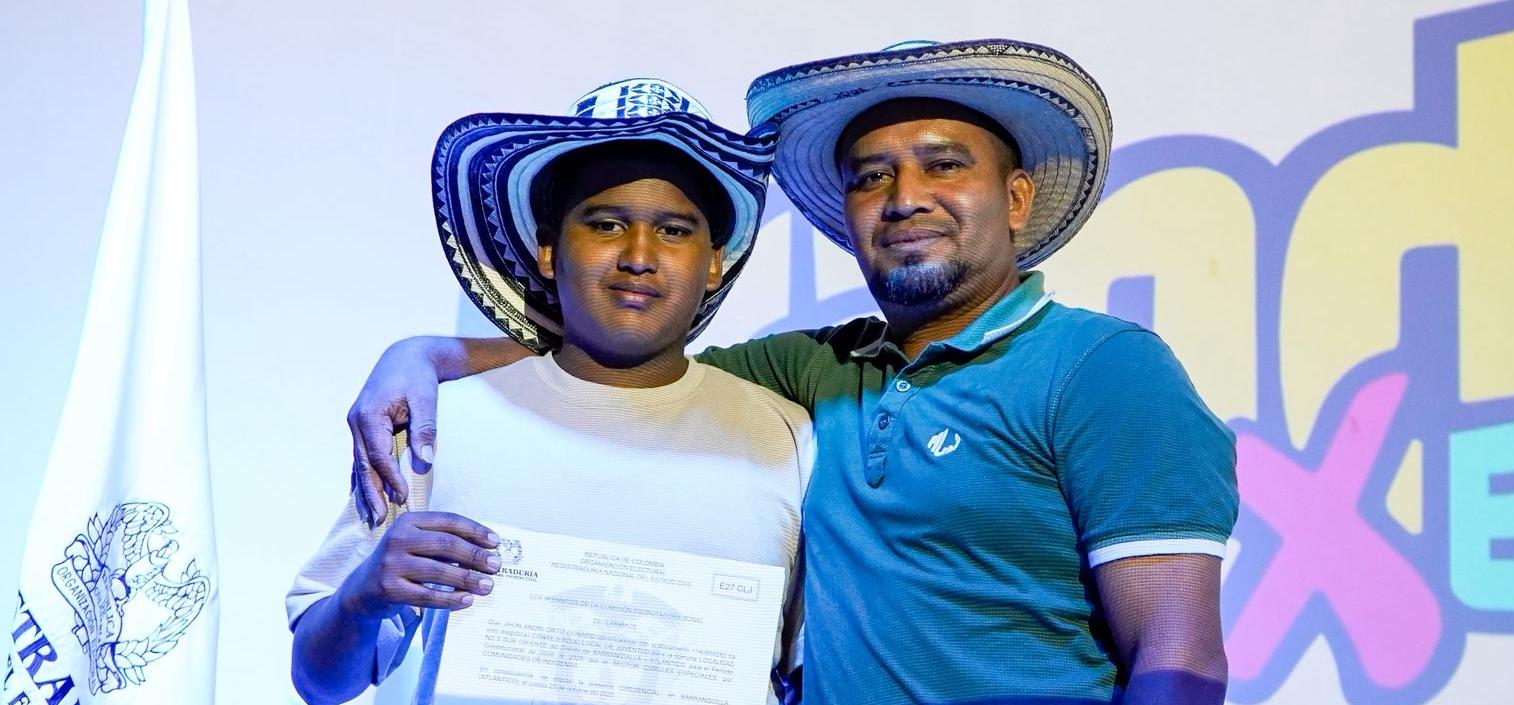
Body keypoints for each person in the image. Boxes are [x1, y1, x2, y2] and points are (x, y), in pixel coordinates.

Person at [347, 41, 1238, 705]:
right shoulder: (811, 370)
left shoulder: (1102, 368)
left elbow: (1180, 655)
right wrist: (426, 355)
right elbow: (621, 361)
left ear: (1014, 198)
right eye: (870, 175)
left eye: (943, 164)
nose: (904, 197)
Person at [286, 79, 811, 705]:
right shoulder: (438, 424)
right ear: (547, 250)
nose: (639, 256)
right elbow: (320, 682)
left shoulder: (785, 439)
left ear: (715, 261)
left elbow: (810, 672)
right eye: (606, 223)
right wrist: (363, 592)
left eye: (674, 230)